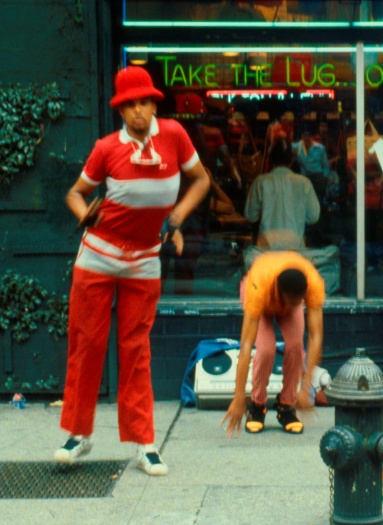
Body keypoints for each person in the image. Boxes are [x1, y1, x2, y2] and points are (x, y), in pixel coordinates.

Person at [55, 66, 210, 475]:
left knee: (136, 349)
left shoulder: (174, 135)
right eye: (130, 105)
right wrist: (82, 214)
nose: (139, 111)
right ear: (120, 110)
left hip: (143, 258)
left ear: (154, 103)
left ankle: (144, 443)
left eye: (145, 102)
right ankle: (78, 435)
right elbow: (76, 192)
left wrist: (176, 217)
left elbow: (201, 180)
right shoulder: (106, 147)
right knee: (86, 343)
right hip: (98, 254)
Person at [222, 251, 326, 436]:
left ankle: (286, 405)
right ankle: (257, 405)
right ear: (280, 291)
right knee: (266, 350)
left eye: (299, 301)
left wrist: (306, 386)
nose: (296, 304)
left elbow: (316, 336)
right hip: (262, 297)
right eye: (292, 300)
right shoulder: (258, 286)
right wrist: (238, 398)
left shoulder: (313, 283)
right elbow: (246, 345)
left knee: (295, 347)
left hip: (286, 291)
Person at [244, 137, 320, 250]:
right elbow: (313, 217)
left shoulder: (261, 182)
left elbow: (250, 216)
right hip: (295, 253)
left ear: (271, 159)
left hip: (266, 252)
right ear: (292, 159)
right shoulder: (304, 183)